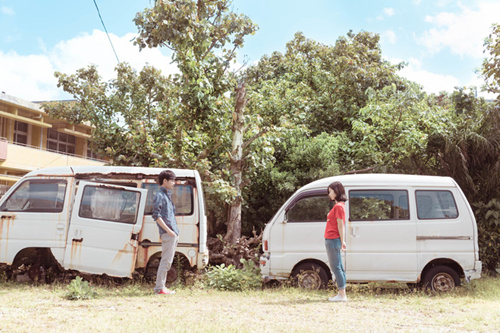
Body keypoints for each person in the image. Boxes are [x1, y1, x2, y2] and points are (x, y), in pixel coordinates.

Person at [152, 169, 179, 295]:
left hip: (172, 233)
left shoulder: (167, 196)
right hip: (168, 234)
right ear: (165, 181)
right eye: (172, 180)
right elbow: (156, 216)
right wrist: (169, 231)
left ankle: (161, 287)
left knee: (168, 261)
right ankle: (159, 288)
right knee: (166, 261)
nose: (174, 183)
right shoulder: (159, 196)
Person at [325, 181, 348, 302]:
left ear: (336, 192)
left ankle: (342, 295)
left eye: (330, 191)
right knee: (338, 266)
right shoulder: (339, 206)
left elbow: (341, 225)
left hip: (333, 239)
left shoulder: (339, 206)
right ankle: (342, 294)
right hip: (333, 239)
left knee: (336, 267)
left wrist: (342, 241)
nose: (329, 194)